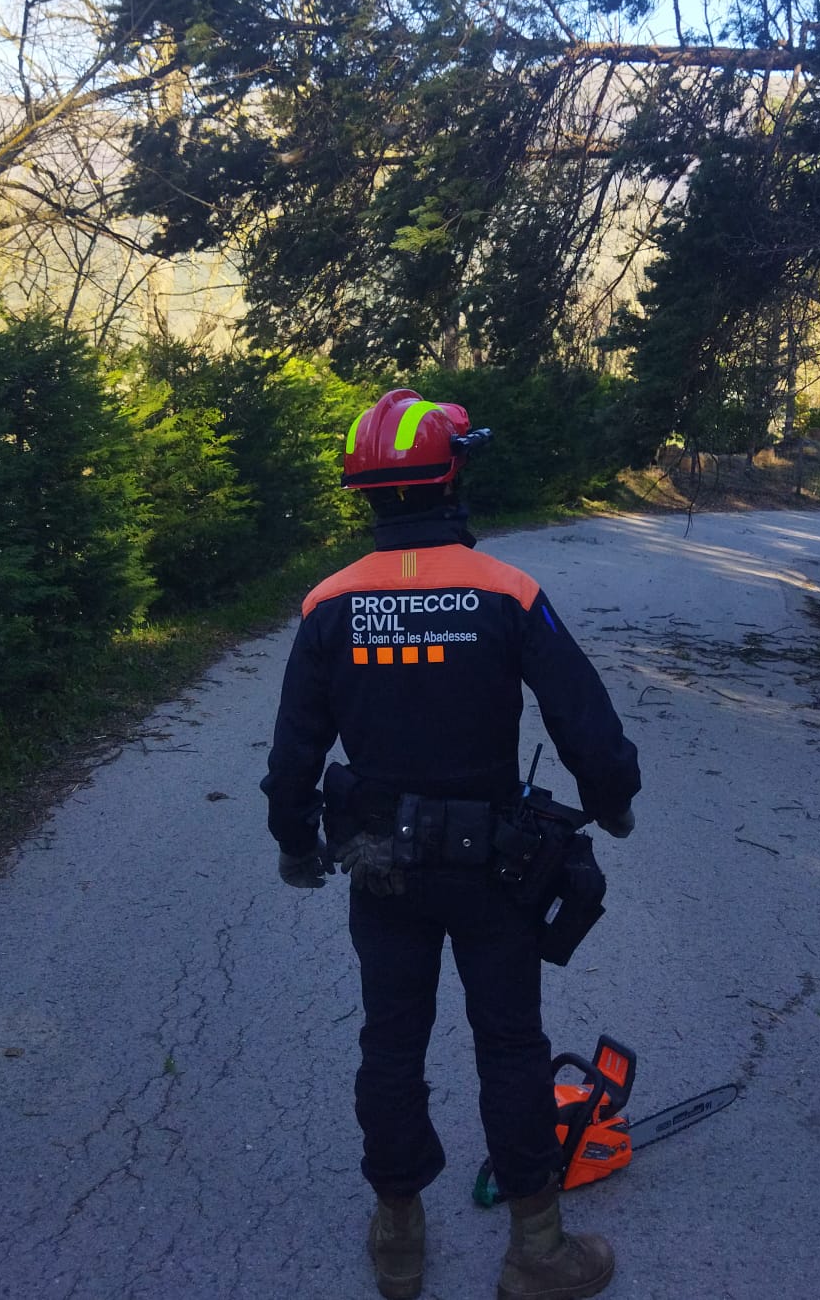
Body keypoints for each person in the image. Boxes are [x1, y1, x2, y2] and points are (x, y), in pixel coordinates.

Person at [262, 387, 641, 1300]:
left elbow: (291, 756)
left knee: (391, 1039)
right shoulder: (509, 594)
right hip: (492, 870)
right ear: (453, 474)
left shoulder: (327, 604)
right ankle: (537, 1250)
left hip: (379, 865)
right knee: (508, 1043)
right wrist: (613, 803)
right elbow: (585, 723)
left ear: (369, 494)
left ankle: (399, 1240)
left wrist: (295, 843)